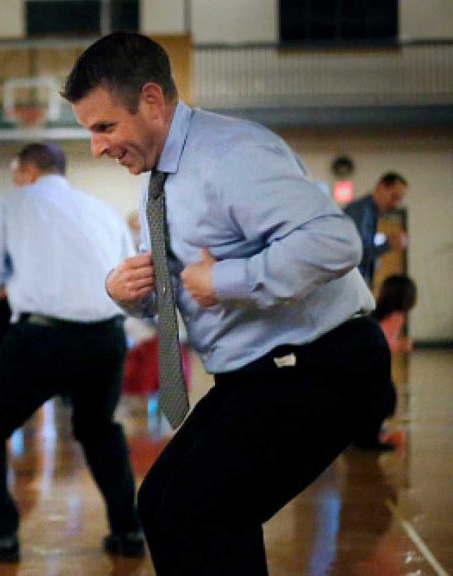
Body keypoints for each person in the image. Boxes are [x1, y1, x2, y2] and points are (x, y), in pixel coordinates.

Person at [65, 32, 392, 575]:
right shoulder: (163, 181)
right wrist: (130, 296)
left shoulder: (232, 153)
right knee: (162, 504)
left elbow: (335, 243)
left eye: (104, 127)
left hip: (322, 362)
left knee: (204, 511)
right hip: (259, 372)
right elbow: (182, 292)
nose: (97, 147)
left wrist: (228, 280)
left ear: (151, 101)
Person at [0, 142, 142, 563]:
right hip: (105, 335)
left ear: (26, 171)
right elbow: (129, 279)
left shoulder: (11, 204)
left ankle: (0, 538)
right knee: (99, 429)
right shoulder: (102, 210)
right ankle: (129, 531)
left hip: (42, 337)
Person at [353, 274, 418, 451]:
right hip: (367, 367)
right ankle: (368, 437)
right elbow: (381, 340)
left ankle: (367, 432)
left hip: (364, 364)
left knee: (379, 398)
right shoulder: (395, 316)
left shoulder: (380, 311)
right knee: (383, 398)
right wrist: (401, 344)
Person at [344, 172, 408, 286]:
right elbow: (357, 253)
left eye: (399, 199)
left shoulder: (371, 213)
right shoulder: (361, 211)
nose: (395, 203)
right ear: (380, 187)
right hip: (348, 282)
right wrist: (388, 244)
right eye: (394, 196)